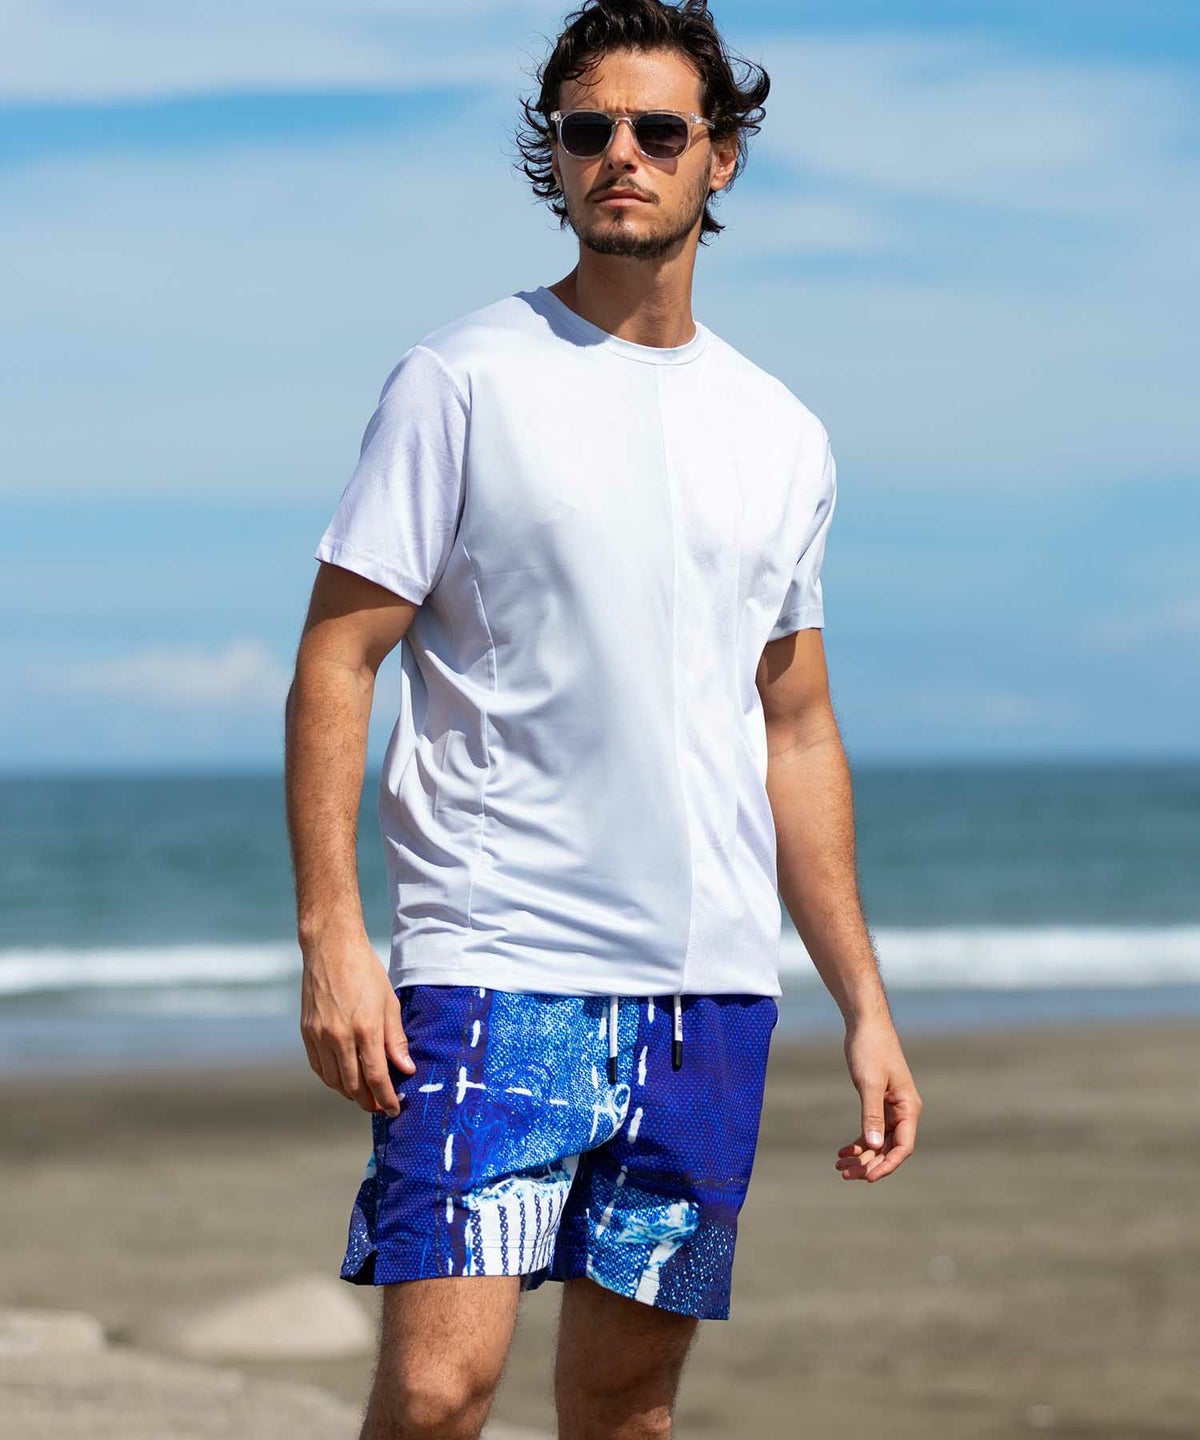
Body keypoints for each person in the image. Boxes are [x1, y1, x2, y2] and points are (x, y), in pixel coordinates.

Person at [285, 2, 922, 1436]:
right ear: (557, 157)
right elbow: (338, 660)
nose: (619, 154)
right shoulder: (461, 380)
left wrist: (864, 1005)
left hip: (709, 993)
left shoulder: (782, 433)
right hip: (493, 961)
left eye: (658, 128)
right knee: (438, 1392)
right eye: (587, 129)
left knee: (629, 1403)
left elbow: (795, 729)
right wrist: (333, 935)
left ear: (721, 156)